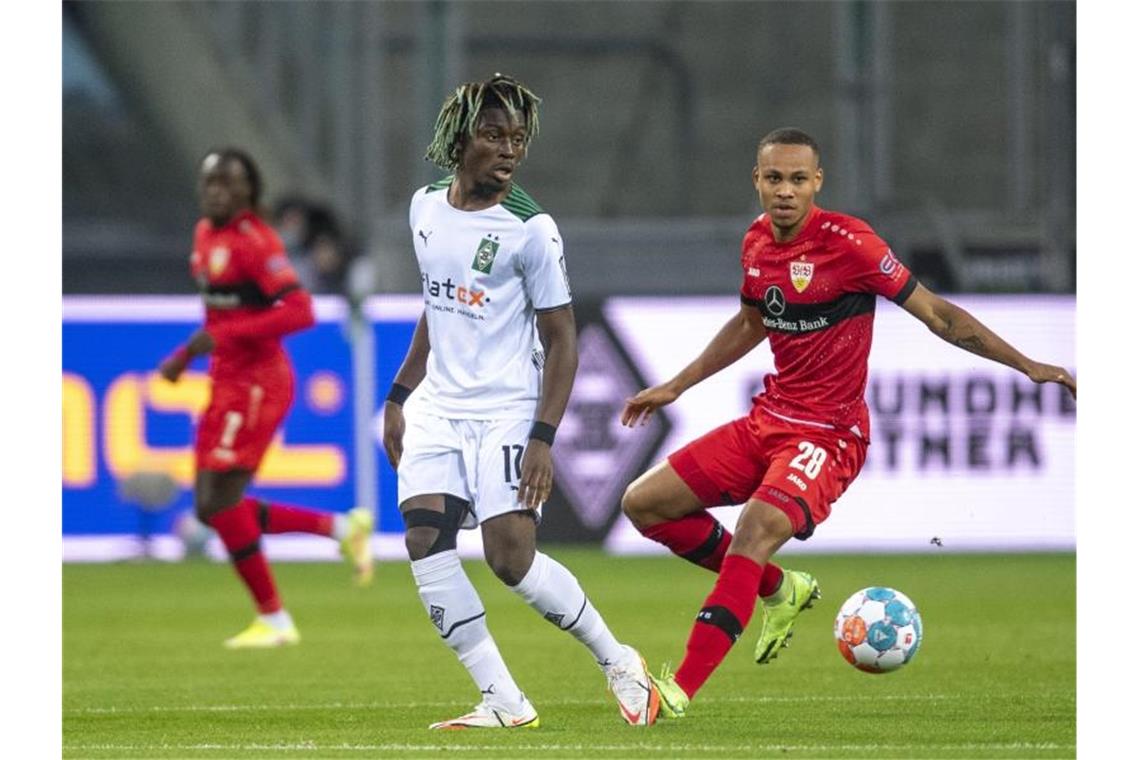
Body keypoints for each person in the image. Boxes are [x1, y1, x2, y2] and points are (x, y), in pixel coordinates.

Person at [619, 128, 1077, 719]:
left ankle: (676, 691)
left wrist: (1028, 365)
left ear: (818, 182)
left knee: (756, 529)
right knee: (643, 504)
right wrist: (676, 385)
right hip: (768, 419)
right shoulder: (757, 243)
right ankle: (779, 590)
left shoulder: (851, 245)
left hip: (828, 436)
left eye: (798, 179)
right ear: (757, 181)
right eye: (774, 179)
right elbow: (750, 324)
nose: (786, 191)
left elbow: (937, 314)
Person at [382, 74, 660, 729]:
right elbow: (436, 306)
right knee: (425, 537)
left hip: (508, 409)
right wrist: (399, 395)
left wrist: (542, 436)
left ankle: (618, 659)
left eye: (517, 138)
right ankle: (503, 700)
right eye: (494, 135)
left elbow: (563, 341)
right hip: (439, 409)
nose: (509, 150)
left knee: (510, 559)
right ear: (459, 140)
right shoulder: (424, 208)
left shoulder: (531, 230)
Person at [158, 148, 375, 649]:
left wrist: (225, 339)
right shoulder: (203, 235)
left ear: (247, 193)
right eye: (209, 183)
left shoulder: (256, 242)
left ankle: (275, 619)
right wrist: (185, 355)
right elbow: (219, 321)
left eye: (227, 185)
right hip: (224, 378)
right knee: (211, 507)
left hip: (259, 383)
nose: (216, 192)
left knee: (219, 503)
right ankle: (340, 530)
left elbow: (300, 311)